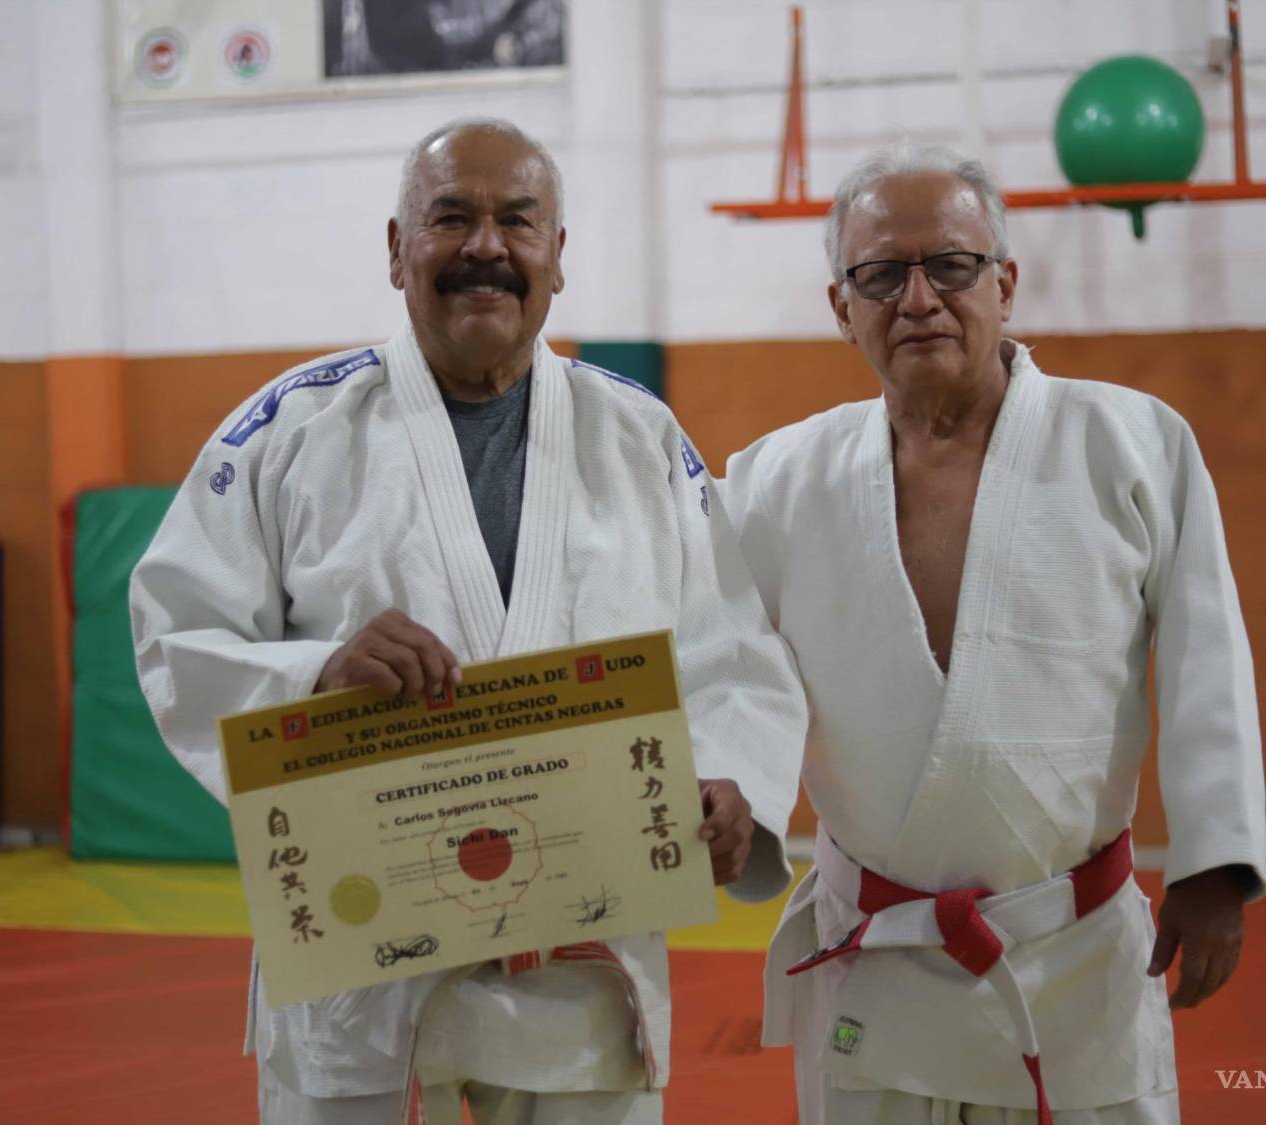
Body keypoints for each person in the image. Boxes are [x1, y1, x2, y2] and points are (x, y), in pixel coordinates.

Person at [131, 117, 806, 1125]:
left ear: (557, 257)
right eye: (450, 218)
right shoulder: (289, 430)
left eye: (516, 221)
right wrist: (316, 673)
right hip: (365, 961)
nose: (484, 247)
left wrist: (728, 784)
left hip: (580, 969)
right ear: (396, 248)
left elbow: (732, 654)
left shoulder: (638, 435)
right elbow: (176, 633)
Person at [721, 143, 1266, 1124]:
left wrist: (1214, 860)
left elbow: (1204, 655)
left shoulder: (1130, 444)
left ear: (1005, 283)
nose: (918, 298)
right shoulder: (771, 481)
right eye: (880, 274)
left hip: (1071, 950)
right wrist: (730, 792)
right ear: (840, 306)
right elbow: (726, 668)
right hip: (876, 953)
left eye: (952, 266)